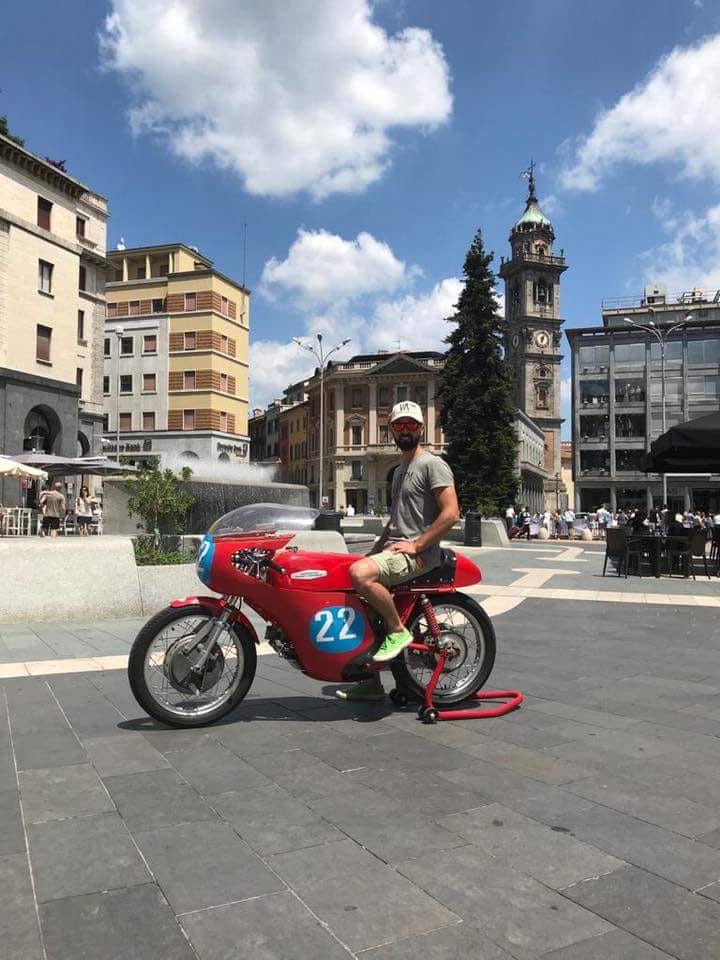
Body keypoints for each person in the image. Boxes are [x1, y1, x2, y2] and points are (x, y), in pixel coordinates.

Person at [336, 400, 459, 701]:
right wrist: (374, 549)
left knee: (360, 575)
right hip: (396, 550)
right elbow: (396, 520)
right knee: (354, 588)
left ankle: (397, 630)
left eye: (411, 425)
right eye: (399, 425)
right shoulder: (402, 469)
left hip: (419, 555)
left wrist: (418, 544)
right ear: (391, 430)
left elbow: (451, 512)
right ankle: (370, 681)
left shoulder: (432, 464)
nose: (405, 430)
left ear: (421, 428)